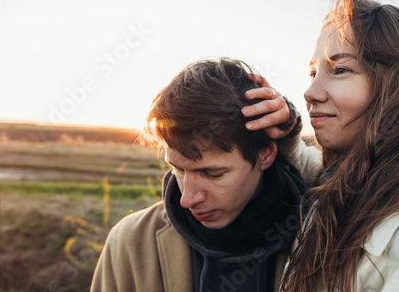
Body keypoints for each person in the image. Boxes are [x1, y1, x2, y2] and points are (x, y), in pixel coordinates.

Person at [244, 0, 399, 291]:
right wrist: (288, 134)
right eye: (313, 73)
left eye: (340, 69)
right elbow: (318, 171)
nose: (310, 92)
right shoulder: (365, 172)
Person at [90, 58, 310, 292]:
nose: (188, 199)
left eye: (213, 173)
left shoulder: (324, 237)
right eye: (179, 169)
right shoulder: (129, 242)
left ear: (266, 155)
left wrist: (291, 128)